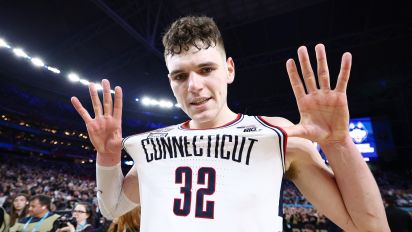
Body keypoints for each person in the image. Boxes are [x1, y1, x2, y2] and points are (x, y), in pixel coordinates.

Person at [71, 16, 389, 231]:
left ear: (230, 70)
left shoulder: (277, 135)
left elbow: (369, 226)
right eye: (180, 76)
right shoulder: (154, 145)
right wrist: (108, 157)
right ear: (170, 82)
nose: (193, 85)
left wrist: (338, 143)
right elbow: (112, 208)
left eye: (206, 69)